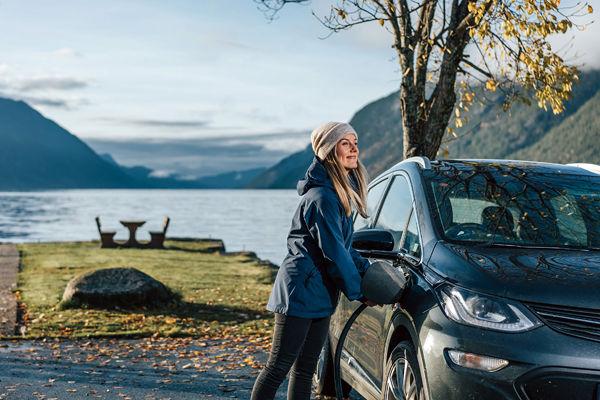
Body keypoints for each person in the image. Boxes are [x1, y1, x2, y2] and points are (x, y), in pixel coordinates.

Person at [251, 121, 376, 400]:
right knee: (278, 367)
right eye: (345, 142)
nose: (354, 147)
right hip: (299, 292)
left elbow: (346, 249)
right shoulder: (322, 199)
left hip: (319, 293)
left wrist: (368, 274)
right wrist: (359, 291)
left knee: (305, 369)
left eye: (355, 141)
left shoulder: (334, 195)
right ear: (330, 151)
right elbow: (335, 254)